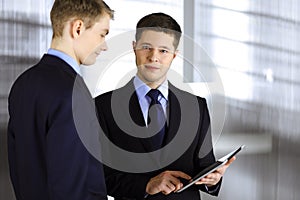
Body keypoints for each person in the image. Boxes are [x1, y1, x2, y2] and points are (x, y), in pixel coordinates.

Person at [95, 13, 235, 200]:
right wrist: (147, 185)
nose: (154, 57)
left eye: (163, 51)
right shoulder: (103, 106)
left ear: (174, 55)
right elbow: (99, 176)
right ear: (134, 47)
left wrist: (213, 179)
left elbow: (204, 166)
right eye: (146, 47)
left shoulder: (196, 106)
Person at [7, 1, 114, 199]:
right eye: (102, 34)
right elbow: (72, 184)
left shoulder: (23, 83)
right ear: (78, 28)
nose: (104, 46)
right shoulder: (72, 92)